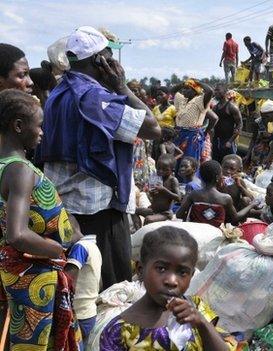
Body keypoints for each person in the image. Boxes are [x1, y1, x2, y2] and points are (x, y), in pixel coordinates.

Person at [38, 26, 161, 289]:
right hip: (98, 209)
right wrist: (122, 86)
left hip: (66, 206)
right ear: (99, 61)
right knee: (111, 287)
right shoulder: (94, 98)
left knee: (79, 285)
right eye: (109, 56)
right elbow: (152, 127)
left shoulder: (58, 94)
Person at [0, 89, 80, 350]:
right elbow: (17, 234)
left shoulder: (7, 167)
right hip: (33, 271)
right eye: (40, 126)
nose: (42, 132)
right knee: (33, 341)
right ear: (19, 126)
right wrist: (57, 249)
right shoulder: (19, 170)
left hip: (25, 269)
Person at [99, 226, 235, 350]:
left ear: (192, 275)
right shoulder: (118, 331)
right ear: (140, 269)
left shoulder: (196, 308)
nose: (171, 281)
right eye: (161, 268)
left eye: (182, 272)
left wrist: (202, 323)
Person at [177, 160, 257, 226]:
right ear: (217, 178)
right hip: (215, 233)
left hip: (195, 229)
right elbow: (235, 217)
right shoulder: (226, 198)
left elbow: (179, 215)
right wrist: (252, 205)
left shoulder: (194, 194)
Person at [65, 234, 103, 343]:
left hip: (79, 314)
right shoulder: (94, 247)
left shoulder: (80, 247)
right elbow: (100, 283)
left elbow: (68, 281)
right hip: (89, 312)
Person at [172, 78, 217, 164]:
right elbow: (172, 91)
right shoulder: (182, 100)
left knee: (189, 161)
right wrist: (183, 84)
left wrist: (197, 82)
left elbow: (210, 91)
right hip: (179, 133)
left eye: (187, 89)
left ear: (194, 91)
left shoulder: (200, 100)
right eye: (184, 89)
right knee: (176, 159)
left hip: (192, 135)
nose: (184, 90)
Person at [137, 154, 181, 225]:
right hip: (153, 209)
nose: (160, 171)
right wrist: (152, 193)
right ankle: (137, 229)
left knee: (148, 219)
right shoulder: (157, 179)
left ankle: (144, 234)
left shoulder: (172, 180)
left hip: (165, 213)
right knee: (134, 211)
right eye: (158, 168)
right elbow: (156, 197)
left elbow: (179, 198)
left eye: (164, 169)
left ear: (172, 170)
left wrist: (164, 190)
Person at [244, 99, 273, 174]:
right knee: (254, 173)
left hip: (271, 156)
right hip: (257, 155)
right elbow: (253, 139)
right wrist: (248, 154)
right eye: (263, 116)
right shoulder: (258, 122)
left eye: (267, 116)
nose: (264, 119)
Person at [212, 83, 242, 162]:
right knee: (217, 162)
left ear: (225, 91)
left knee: (230, 163)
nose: (215, 92)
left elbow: (239, 124)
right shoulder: (215, 107)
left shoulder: (232, 107)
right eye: (215, 90)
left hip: (228, 141)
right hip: (217, 141)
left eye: (218, 90)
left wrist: (230, 141)